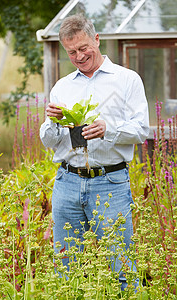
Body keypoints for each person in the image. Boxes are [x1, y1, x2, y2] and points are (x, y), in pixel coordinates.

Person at [40, 14, 149, 290]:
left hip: (110, 182)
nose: (78, 56)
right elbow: (50, 141)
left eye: (83, 48)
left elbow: (141, 130)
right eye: (71, 52)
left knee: (121, 266)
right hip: (67, 182)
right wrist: (51, 121)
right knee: (66, 267)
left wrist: (107, 129)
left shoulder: (127, 80)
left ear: (97, 39)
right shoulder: (62, 86)